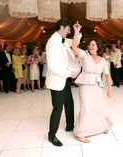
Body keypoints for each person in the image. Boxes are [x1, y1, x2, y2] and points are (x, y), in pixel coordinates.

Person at [72, 21, 113, 143]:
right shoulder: (84, 55)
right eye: (89, 45)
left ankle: (101, 126)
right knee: (86, 108)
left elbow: (107, 75)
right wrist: (76, 32)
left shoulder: (103, 60)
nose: (90, 47)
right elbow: (74, 48)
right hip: (85, 85)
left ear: (98, 47)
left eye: (93, 45)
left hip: (97, 86)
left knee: (99, 107)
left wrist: (110, 88)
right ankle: (81, 133)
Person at [45, 18, 79, 147]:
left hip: (63, 80)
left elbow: (75, 43)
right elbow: (52, 67)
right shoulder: (53, 42)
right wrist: (70, 74)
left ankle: (70, 126)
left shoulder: (62, 40)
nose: (69, 32)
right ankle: (51, 135)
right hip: (56, 80)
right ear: (62, 27)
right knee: (57, 108)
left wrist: (77, 31)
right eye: (68, 29)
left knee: (69, 102)